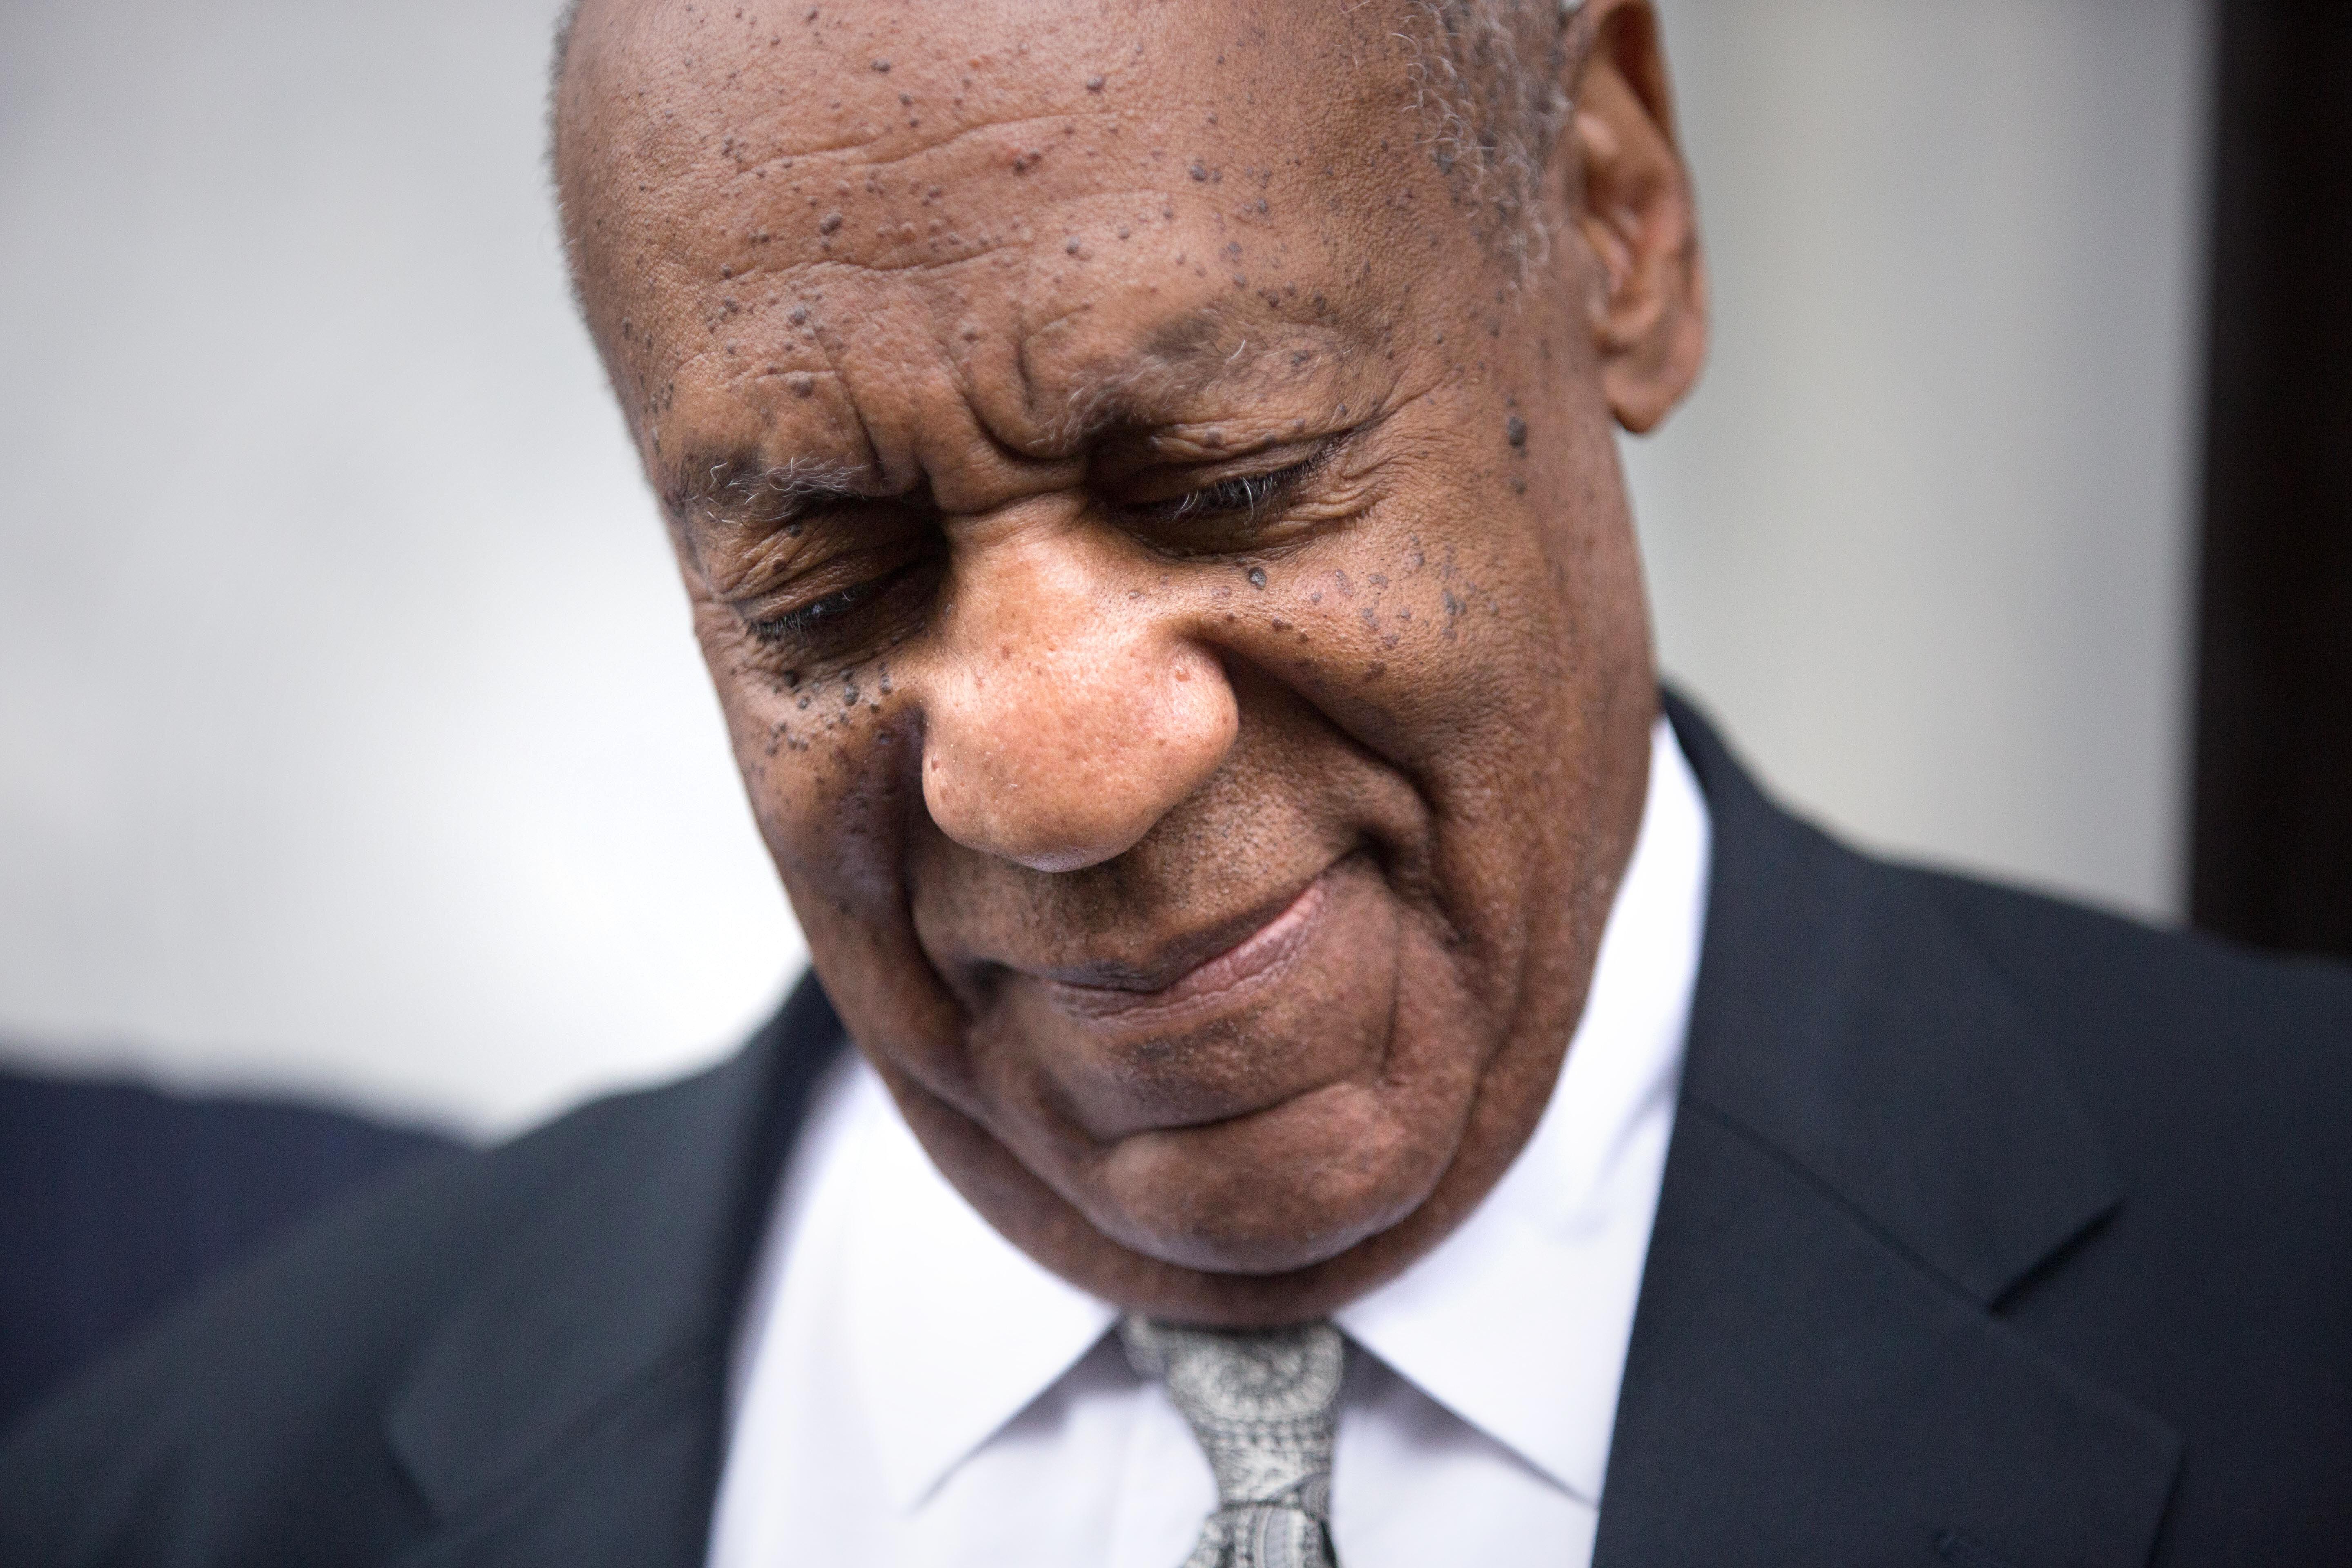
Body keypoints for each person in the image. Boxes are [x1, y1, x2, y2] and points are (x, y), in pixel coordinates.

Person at [3, 0, 2347, 1562]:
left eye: (1221, 481)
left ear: (1614, 210)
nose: (1045, 768)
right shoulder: (193, 1494)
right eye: (827, 579)